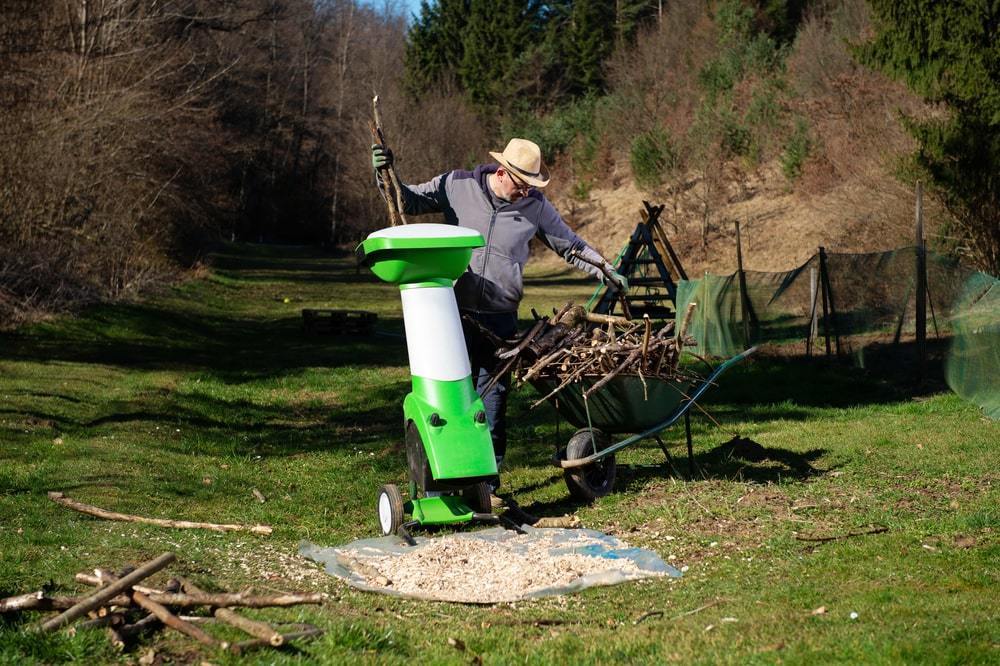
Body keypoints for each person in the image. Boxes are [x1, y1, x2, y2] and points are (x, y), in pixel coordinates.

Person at [372, 138, 628, 494]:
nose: (526, 191)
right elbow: (407, 200)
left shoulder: (535, 206)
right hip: (452, 317)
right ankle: (441, 483)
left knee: (491, 405)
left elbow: (570, 245)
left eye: (532, 185)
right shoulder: (456, 185)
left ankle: (486, 486)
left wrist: (607, 269)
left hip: (500, 320)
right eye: (522, 183)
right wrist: (384, 173)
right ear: (503, 171)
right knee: (446, 402)